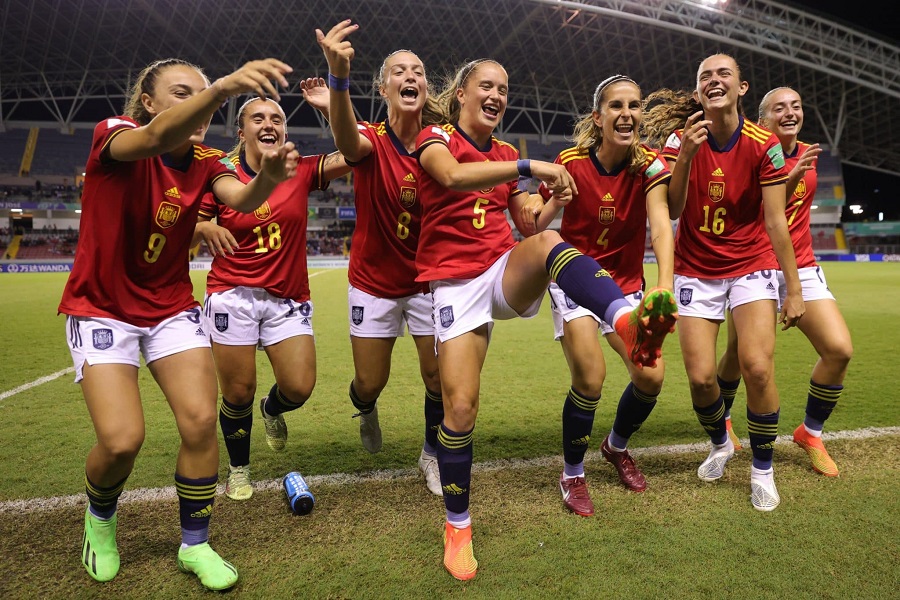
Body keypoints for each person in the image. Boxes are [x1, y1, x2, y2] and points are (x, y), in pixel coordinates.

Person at [415, 58, 678, 580]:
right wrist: (533, 169)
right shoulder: (437, 134)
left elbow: (529, 221)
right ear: (462, 93)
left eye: (503, 89)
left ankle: (626, 319)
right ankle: (458, 526)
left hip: (498, 270)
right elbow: (449, 176)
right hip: (453, 285)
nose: (496, 95)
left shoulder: (508, 150)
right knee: (461, 408)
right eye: (486, 87)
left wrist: (551, 199)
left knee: (548, 241)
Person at [57, 57, 298, 590]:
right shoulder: (115, 135)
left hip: (169, 307)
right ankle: (99, 519)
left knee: (198, 421)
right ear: (149, 102)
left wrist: (269, 179)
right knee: (122, 441)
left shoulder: (211, 161)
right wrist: (224, 88)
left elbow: (240, 198)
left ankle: (195, 543)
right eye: (182, 93)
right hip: (101, 307)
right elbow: (154, 140)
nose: (197, 106)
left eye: (202, 97)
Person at [643, 54, 805, 512]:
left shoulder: (764, 143)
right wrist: (688, 157)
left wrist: (792, 289)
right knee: (700, 379)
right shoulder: (680, 140)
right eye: (705, 78)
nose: (715, 82)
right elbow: (672, 210)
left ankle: (763, 469)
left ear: (742, 88)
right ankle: (720, 442)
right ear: (697, 94)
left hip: (751, 265)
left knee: (756, 366)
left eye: (723, 75)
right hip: (696, 269)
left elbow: (776, 222)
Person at [527, 75, 675, 515]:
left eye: (633, 105)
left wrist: (664, 285)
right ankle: (572, 473)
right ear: (598, 117)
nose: (626, 114)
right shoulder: (569, 161)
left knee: (650, 377)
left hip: (627, 285)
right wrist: (554, 201)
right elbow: (536, 223)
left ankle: (616, 446)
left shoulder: (649, 165)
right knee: (590, 378)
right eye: (615, 106)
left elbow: (661, 223)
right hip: (575, 284)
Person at [194, 93, 350, 501]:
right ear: (241, 130)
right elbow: (190, 223)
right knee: (237, 392)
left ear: (284, 129)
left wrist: (329, 109)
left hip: (287, 298)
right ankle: (239, 469)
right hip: (232, 294)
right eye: (258, 118)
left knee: (298, 387)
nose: (269, 124)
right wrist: (204, 229)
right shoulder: (220, 171)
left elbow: (357, 152)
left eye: (277, 119)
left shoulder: (299, 169)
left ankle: (273, 409)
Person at [315, 21, 444, 495]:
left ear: (425, 87)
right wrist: (338, 79)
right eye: (399, 71)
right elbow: (347, 143)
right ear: (385, 87)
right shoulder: (370, 138)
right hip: (373, 282)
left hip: (429, 281)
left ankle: (431, 455)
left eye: (418, 71)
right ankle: (366, 409)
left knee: (438, 378)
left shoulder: (443, 141)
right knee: (370, 382)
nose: (410, 76)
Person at [715, 87, 851, 476]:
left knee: (839, 349)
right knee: (741, 357)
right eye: (780, 108)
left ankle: (810, 432)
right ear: (763, 118)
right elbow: (757, 211)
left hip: (801, 266)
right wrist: (788, 177)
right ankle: (723, 420)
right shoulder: (750, 151)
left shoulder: (809, 154)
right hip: (754, 264)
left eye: (796, 106)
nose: (790, 112)